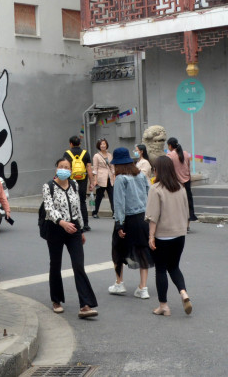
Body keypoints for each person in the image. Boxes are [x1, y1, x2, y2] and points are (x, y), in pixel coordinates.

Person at [42, 156, 99, 318]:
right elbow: (49, 208)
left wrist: (80, 229)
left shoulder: (74, 184)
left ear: (71, 170)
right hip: (56, 228)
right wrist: (61, 222)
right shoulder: (48, 186)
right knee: (56, 264)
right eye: (61, 166)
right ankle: (56, 300)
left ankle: (85, 305)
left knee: (78, 265)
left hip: (73, 228)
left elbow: (78, 209)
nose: (64, 169)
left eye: (67, 167)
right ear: (56, 169)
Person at [146, 155, 193, 316]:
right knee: (174, 266)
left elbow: (153, 216)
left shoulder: (156, 189)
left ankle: (163, 305)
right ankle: (183, 292)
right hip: (180, 234)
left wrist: (151, 236)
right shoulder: (180, 187)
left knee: (160, 269)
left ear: (157, 170)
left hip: (162, 234)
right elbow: (187, 211)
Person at [110, 147, 154, 299]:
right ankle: (143, 288)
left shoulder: (121, 179)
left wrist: (119, 224)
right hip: (143, 218)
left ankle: (119, 283)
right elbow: (150, 193)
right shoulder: (141, 175)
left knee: (118, 250)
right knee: (143, 251)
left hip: (128, 218)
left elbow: (119, 203)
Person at [166, 138, 198, 223]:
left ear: (169, 146)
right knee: (188, 203)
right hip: (187, 181)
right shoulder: (185, 153)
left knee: (178, 204)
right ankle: (188, 223)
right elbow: (188, 166)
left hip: (177, 183)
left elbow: (169, 170)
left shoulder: (170, 156)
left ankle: (180, 223)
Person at [65, 136, 92, 231]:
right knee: (82, 201)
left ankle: (75, 224)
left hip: (70, 181)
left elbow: (65, 168)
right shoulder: (85, 153)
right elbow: (89, 169)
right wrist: (91, 183)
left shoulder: (67, 153)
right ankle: (86, 224)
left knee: (71, 201)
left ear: (70, 144)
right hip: (83, 180)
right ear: (80, 143)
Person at [91, 139, 115, 219]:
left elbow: (112, 167)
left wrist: (114, 177)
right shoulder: (96, 156)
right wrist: (95, 180)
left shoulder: (110, 155)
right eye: (101, 144)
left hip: (110, 178)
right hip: (101, 179)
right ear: (99, 146)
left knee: (112, 196)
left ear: (106, 145)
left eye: (104, 144)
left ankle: (114, 212)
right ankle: (95, 212)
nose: (103, 145)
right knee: (99, 196)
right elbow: (95, 169)